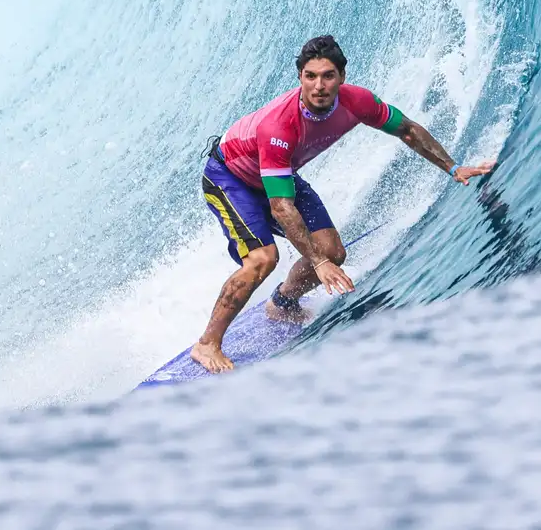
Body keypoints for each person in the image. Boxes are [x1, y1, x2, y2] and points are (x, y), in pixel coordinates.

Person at [190, 35, 495, 373]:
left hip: (279, 175)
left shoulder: (356, 101)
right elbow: (280, 207)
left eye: (328, 75)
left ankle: (282, 303)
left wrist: (453, 167)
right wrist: (317, 262)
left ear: (342, 77)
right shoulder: (279, 125)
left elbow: (406, 130)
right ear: (300, 77)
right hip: (231, 177)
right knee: (263, 259)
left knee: (333, 252)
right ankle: (207, 344)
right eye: (310, 76)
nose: (319, 85)